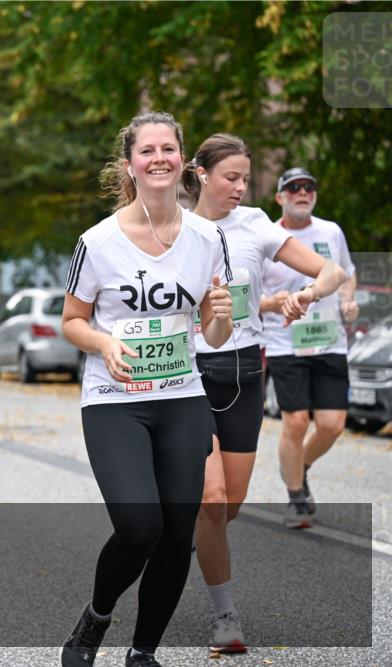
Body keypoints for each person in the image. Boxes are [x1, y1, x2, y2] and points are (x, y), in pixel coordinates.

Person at [60, 111, 234, 667]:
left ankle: (143, 653)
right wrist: (104, 344)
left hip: (181, 395)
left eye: (168, 149)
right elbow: (72, 321)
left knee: (178, 530)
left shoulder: (209, 237)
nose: (159, 158)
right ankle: (97, 617)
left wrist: (224, 318)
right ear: (130, 164)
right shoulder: (99, 241)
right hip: (115, 401)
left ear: (184, 160)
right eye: (147, 150)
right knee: (140, 525)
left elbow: (213, 329)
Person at [183, 137, 348, 653]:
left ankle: (189, 533)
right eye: (230, 177)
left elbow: (332, 271)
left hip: (245, 370)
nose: (239, 187)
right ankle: (225, 617)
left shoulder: (256, 222)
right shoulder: (175, 223)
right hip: (187, 370)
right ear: (202, 174)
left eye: (244, 179)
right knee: (210, 502)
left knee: (228, 506)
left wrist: (305, 295)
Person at [261, 167, 358, 528]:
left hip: (330, 340)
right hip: (286, 342)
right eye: (294, 188)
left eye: (309, 187)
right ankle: (296, 498)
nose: (303, 192)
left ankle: (297, 466)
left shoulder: (330, 231)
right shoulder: (267, 237)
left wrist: (348, 301)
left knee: (332, 425)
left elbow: (346, 273)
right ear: (280, 197)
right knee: (296, 420)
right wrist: (273, 303)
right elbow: (250, 297)